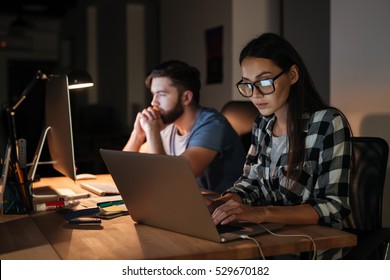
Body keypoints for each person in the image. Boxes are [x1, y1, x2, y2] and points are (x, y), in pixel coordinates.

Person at [210, 33, 352, 259]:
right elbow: (250, 183)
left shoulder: (327, 122)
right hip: (265, 238)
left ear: (293, 75)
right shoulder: (262, 124)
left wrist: (261, 214)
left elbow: (333, 206)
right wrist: (223, 204)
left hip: (309, 248)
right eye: (247, 85)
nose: (254, 95)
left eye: (264, 82)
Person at [123, 60, 246, 194]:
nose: (153, 102)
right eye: (153, 94)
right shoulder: (170, 125)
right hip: (184, 201)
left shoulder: (212, 125)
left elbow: (169, 180)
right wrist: (138, 134)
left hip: (219, 208)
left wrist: (152, 132)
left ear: (186, 97)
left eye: (162, 94)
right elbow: (124, 169)